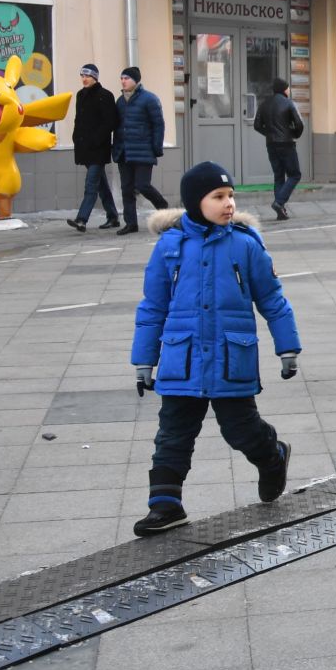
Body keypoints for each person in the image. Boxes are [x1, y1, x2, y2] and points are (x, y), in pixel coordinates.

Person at [129, 162, 299, 535]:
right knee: (173, 433)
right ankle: (165, 504)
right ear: (195, 202)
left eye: (231, 197)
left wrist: (287, 347)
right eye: (218, 197)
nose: (228, 204)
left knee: (241, 430)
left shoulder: (244, 245)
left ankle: (272, 456)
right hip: (181, 357)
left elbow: (272, 299)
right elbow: (153, 305)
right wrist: (144, 359)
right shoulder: (170, 247)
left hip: (229, 358)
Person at [113, 66, 168, 234]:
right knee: (127, 188)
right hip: (124, 151)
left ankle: (163, 207)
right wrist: (116, 148)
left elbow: (158, 124)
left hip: (144, 150)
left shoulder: (149, 99)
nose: (123, 81)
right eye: (122, 78)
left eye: (127, 78)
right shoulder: (120, 101)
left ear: (136, 81)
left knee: (142, 185)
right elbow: (117, 127)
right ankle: (131, 223)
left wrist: (156, 147)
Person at [67, 63, 120, 232]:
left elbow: (110, 122)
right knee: (101, 184)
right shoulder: (80, 95)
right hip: (85, 148)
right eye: (82, 76)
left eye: (87, 76)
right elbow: (79, 120)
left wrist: (96, 140)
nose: (84, 79)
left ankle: (82, 219)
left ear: (95, 77)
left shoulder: (105, 95)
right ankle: (113, 216)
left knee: (90, 184)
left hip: (98, 149)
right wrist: (76, 138)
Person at [250, 75, 305, 221]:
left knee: (279, 176)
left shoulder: (264, 103)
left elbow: (257, 125)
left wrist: (269, 133)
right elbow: (299, 124)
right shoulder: (288, 103)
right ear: (283, 89)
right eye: (288, 87)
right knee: (295, 174)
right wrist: (293, 134)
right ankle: (279, 203)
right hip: (286, 144)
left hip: (271, 144)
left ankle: (280, 210)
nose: (289, 90)